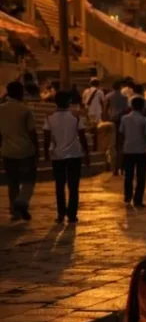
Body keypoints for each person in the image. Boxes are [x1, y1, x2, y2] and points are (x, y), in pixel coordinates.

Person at [42, 91, 89, 223]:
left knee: (59, 185)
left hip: (57, 155)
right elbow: (82, 136)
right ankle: (72, 214)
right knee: (73, 186)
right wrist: (86, 154)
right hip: (74, 154)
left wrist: (46, 154)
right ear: (69, 101)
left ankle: (61, 213)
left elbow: (46, 137)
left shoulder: (49, 116)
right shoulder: (75, 116)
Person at [0, 81, 37, 220]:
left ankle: (14, 211)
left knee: (12, 182)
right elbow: (32, 132)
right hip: (25, 150)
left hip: (8, 150)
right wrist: (37, 151)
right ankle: (22, 201)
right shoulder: (25, 110)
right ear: (19, 93)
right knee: (29, 180)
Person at [119, 97, 146, 208]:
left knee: (128, 175)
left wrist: (122, 147)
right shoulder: (144, 120)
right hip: (141, 151)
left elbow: (121, 134)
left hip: (128, 150)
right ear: (142, 107)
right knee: (141, 177)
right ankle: (138, 200)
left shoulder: (124, 118)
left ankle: (128, 196)